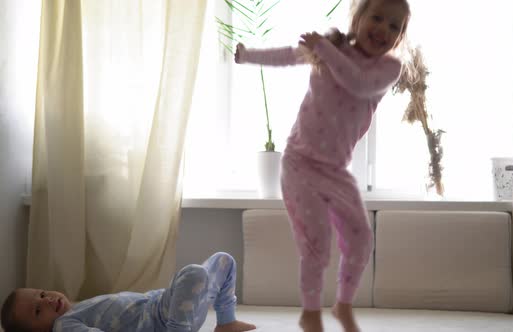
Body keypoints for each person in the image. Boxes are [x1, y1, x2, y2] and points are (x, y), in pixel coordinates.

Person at [234, 0, 411, 331]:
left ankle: (343, 305)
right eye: (377, 18)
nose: (384, 30)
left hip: (336, 172)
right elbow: (288, 56)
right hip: (299, 164)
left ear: (400, 37)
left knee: (360, 240)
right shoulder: (329, 47)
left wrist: (323, 50)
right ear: (357, 18)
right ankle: (310, 313)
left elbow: (356, 83)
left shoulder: (387, 69)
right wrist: (247, 56)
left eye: (394, 26)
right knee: (316, 244)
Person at [1, 252, 256, 332]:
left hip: (172, 310)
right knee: (194, 273)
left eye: (43, 293)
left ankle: (226, 321)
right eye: (37, 310)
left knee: (224, 260)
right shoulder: (64, 326)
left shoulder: (76, 308)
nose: (48, 301)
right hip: (161, 320)